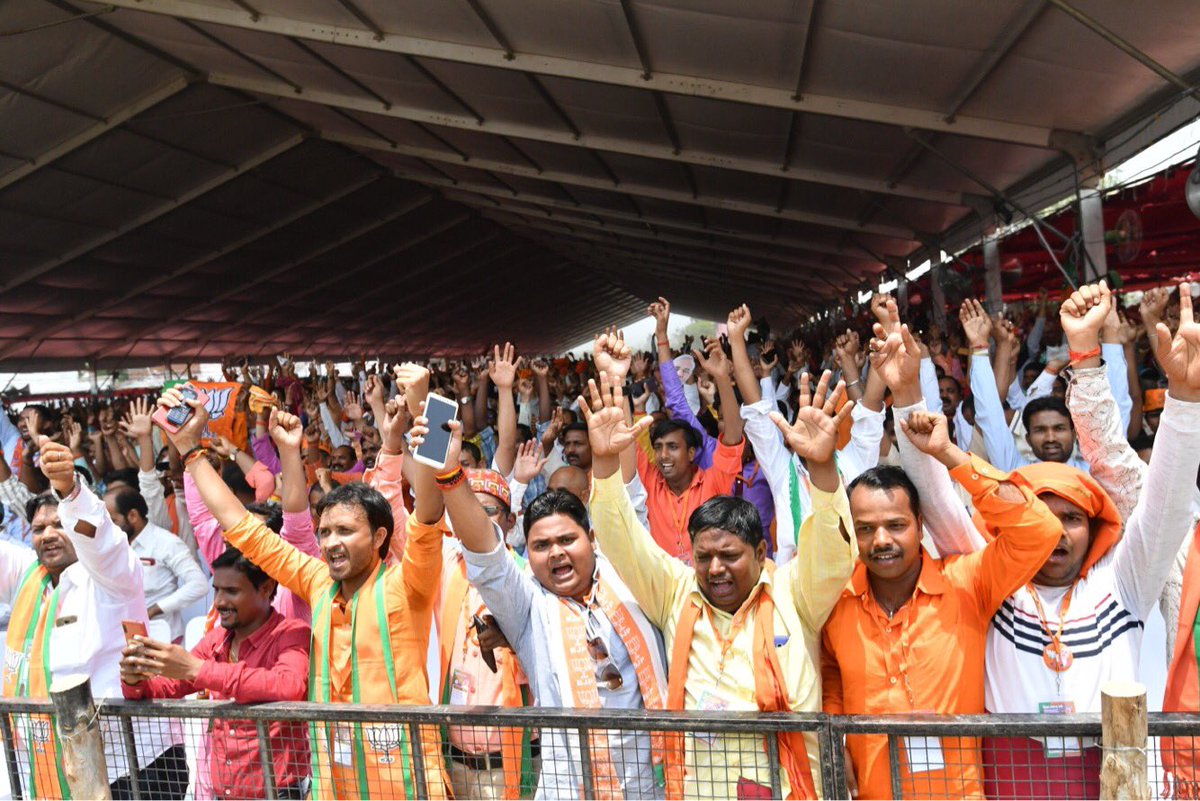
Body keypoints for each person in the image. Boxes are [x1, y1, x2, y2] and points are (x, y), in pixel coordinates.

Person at [916, 281, 1200, 798]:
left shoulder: (1124, 583)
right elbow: (937, 506)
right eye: (1040, 517)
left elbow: (1167, 504)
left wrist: (1184, 402)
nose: (1056, 532)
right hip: (1012, 781)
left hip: (1113, 780)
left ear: (1094, 527)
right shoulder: (992, 577)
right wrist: (908, 402)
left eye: (1072, 518)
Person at [155, 367, 448, 801]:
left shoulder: (408, 584)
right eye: (325, 532)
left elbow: (427, 511)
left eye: (346, 532)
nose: (330, 543)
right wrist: (191, 450)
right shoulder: (317, 582)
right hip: (333, 786)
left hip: (406, 785)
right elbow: (242, 529)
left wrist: (428, 406)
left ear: (381, 537)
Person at [588, 368, 857, 799]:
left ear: (761, 552)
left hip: (791, 789)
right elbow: (621, 538)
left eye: (729, 556)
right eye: (704, 557)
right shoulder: (676, 592)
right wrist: (604, 465)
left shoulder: (794, 591)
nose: (715, 569)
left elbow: (834, 548)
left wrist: (822, 467)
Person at [821, 327, 1061, 800]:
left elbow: (1040, 530)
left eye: (895, 525)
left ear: (920, 524)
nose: (881, 541)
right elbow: (829, 670)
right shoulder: (836, 599)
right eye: (866, 529)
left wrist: (951, 455)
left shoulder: (966, 584)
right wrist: (834, 734)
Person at [417, 398, 669, 800]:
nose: (556, 553)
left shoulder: (629, 579)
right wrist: (449, 474)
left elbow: (629, 513)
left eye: (567, 540)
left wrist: (609, 449)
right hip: (566, 791)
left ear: (591, 539)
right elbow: (487, 553)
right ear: (526, 552)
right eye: (541, 545)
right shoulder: (529, 606)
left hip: (650, 789)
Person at [0, 437, 183, 799]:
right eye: (39, 529)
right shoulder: (31, 579)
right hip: (65, 765)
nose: (49, 535)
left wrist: (70, 492)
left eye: (59, 524)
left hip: (137, 764)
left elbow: (100, 540)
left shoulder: (112, 574)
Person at [120, 546, 312, 799]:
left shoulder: (292, 633)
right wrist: (134, 679)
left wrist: (198, 669)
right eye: (217, 590)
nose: (219, 602)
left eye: (231, 591)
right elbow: (168, 687)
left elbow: (289, 685)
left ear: (266, 588)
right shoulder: (217, 639)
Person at [436, 468, 535, 801]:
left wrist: (510, 638)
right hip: (456, 761)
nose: (475, 519)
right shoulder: (446, 566)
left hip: (514, 761)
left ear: (509, 520)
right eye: (469, 510)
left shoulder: (530, 578)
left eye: (488, 511)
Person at [638, 334, 746, 562]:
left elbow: (734, 435)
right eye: (659, 447)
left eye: (673, 447)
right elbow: (675, 399)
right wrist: (661, 335)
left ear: (690, 452)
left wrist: (722, 378)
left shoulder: (713, 469)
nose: (664, 455)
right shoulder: (654, 481)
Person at [105, 488, 208, 642]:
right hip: (121, 639)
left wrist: (154, 609)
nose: (107, 528)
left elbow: (199, 585)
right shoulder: (111, 546)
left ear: (133, 516)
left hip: (163, 637)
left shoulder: (166, 543)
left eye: (113, 521)